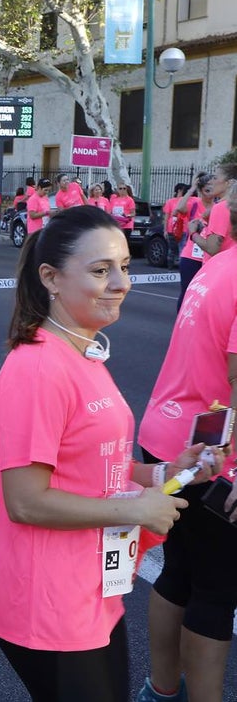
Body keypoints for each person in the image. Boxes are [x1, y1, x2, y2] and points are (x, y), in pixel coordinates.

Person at [0, 205, 213, 702]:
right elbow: (25, 500)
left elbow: (93, 462)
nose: (122, 283)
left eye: (124, 266)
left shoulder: (82, 351)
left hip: (92, 586)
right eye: (101, 270)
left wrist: (164, 473)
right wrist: (135, 510)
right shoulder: (38, 368)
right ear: (51, 278)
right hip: (48, 600)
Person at [135, 195, 237, 702]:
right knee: (215, 590)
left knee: (180, 572)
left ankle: (160, 689)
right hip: (211, 458)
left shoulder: (219, 265)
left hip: (167, 434)